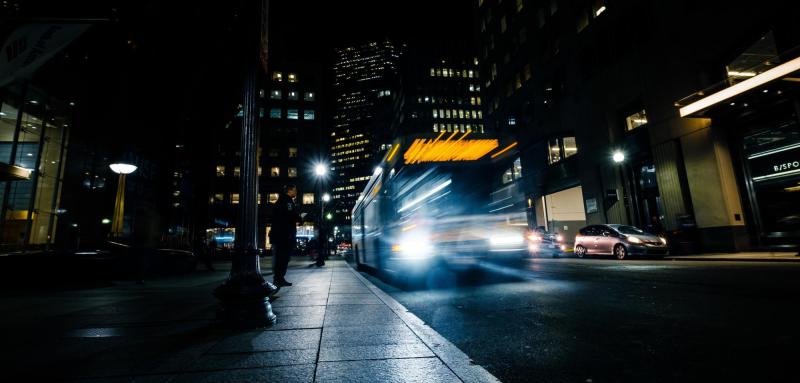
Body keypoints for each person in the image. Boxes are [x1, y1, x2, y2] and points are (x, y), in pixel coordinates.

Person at [269, 184, 302, 287]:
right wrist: (300, 218)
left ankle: (279, 278)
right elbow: (290, 214)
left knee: (281, 257)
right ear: (290, 190)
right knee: (283, 257)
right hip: (284, 235)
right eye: (295, 190)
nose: (296, 192)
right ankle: (279, 279)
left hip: (281, 234)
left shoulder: (281, 200)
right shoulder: (287, 201)